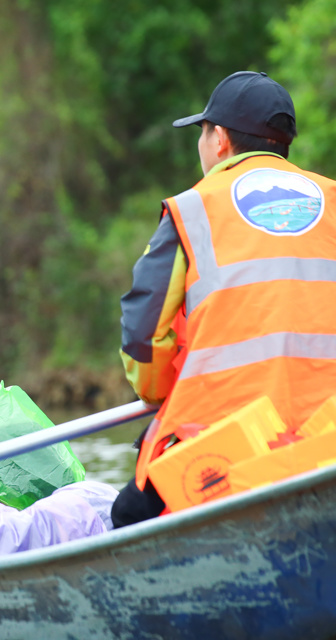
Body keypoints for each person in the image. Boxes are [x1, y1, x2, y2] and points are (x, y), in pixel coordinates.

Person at [113, 71, 336, 526]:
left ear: (219, 142)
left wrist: (157, 392)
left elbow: (142, 333)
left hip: (227, 446)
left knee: (127, 514)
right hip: (326, 442)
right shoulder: (333, 199)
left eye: (202, 132)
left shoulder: (193, 209)